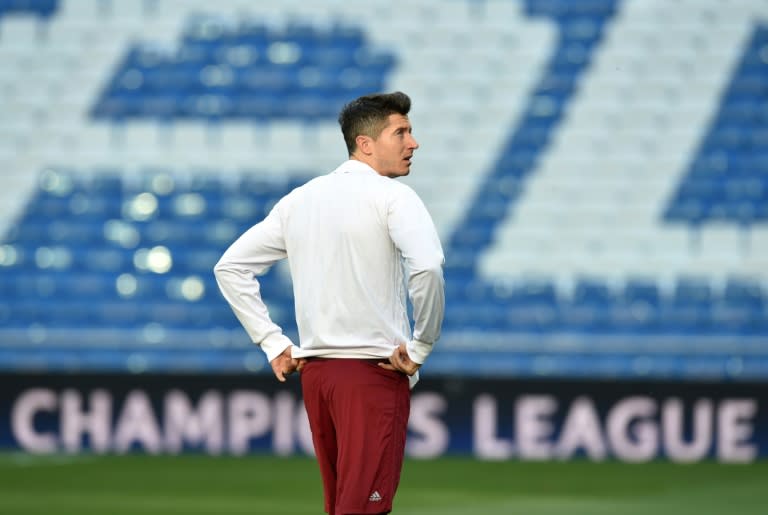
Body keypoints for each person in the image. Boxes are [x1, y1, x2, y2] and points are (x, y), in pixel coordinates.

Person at [214, 91, 445, 515]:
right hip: (371, 374)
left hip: (318, 377)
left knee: (342, 505)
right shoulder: (393, 197)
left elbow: (230, 267)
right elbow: (428, 266)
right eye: (402, 132)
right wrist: (420, 347)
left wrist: (272, 342)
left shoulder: (300, 199)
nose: (414, 143)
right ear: (366, 143)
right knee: (364, 509)